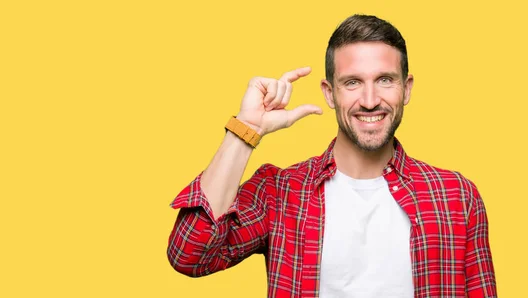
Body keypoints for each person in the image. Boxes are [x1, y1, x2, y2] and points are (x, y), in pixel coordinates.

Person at [166, 14, 497, 298]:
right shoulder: (280, 192)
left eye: (384, 80)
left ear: (406, 88)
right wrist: (246, 130)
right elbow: (191, 257)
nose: (370, 100)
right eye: (352, 82)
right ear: (329, 93)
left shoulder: (457, 196)